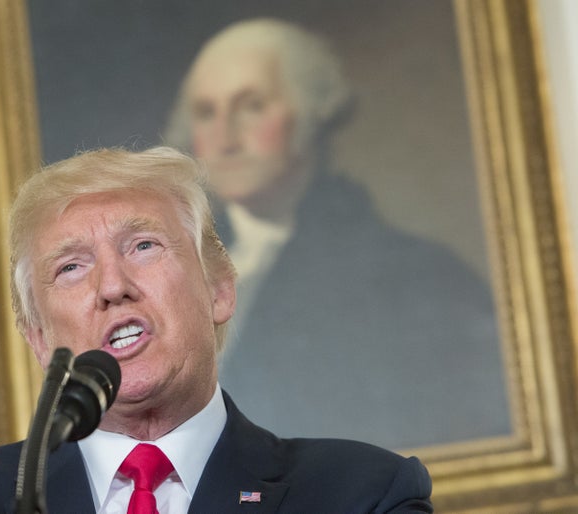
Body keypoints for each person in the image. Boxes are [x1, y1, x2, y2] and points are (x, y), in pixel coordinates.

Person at [0, 147, 433, 512]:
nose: (113, 285)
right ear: (38, 336)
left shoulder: (364, 494)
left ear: (219, 288)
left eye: (143, 246)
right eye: (71, 266)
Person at [165, 18, 511, 448]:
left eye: (251, 106)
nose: (225, 137)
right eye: (206, 113)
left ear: (312, 113)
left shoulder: (419, 278)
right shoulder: (171, 279)